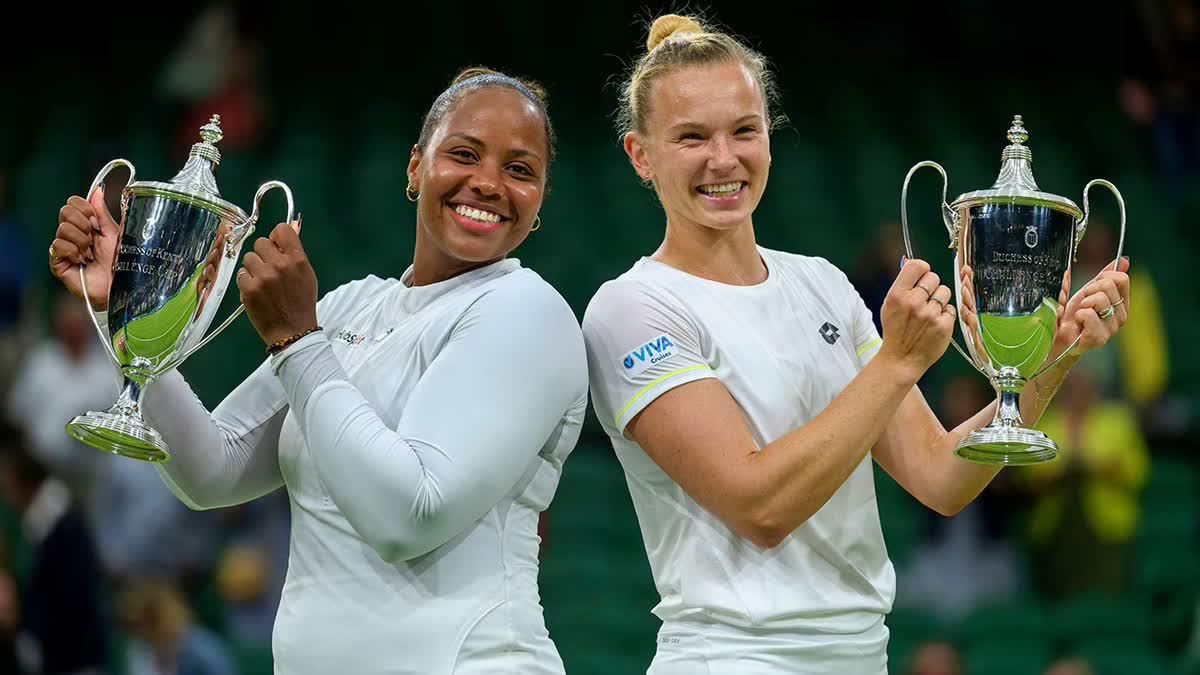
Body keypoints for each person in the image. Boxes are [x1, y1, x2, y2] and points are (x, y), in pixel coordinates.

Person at [581, 13, 1132, 673]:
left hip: (863, 656)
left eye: (743, 131)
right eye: (691, 137)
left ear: (769, 138)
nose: (723, 159)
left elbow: (940, 476)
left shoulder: (821, 284)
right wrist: (898, 362)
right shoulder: (632, 307)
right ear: (641, 155)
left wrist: (1054, 359)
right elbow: (761, 505)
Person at [49, 66, 588, 674]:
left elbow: (411, 517)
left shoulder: (528, 312)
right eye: (464, 154)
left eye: (519, 170)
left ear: (540, 200)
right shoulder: (349, 306)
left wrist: (296, 340)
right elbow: (211, 473)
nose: (488, 183)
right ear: (416, 167)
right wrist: (121, 308)